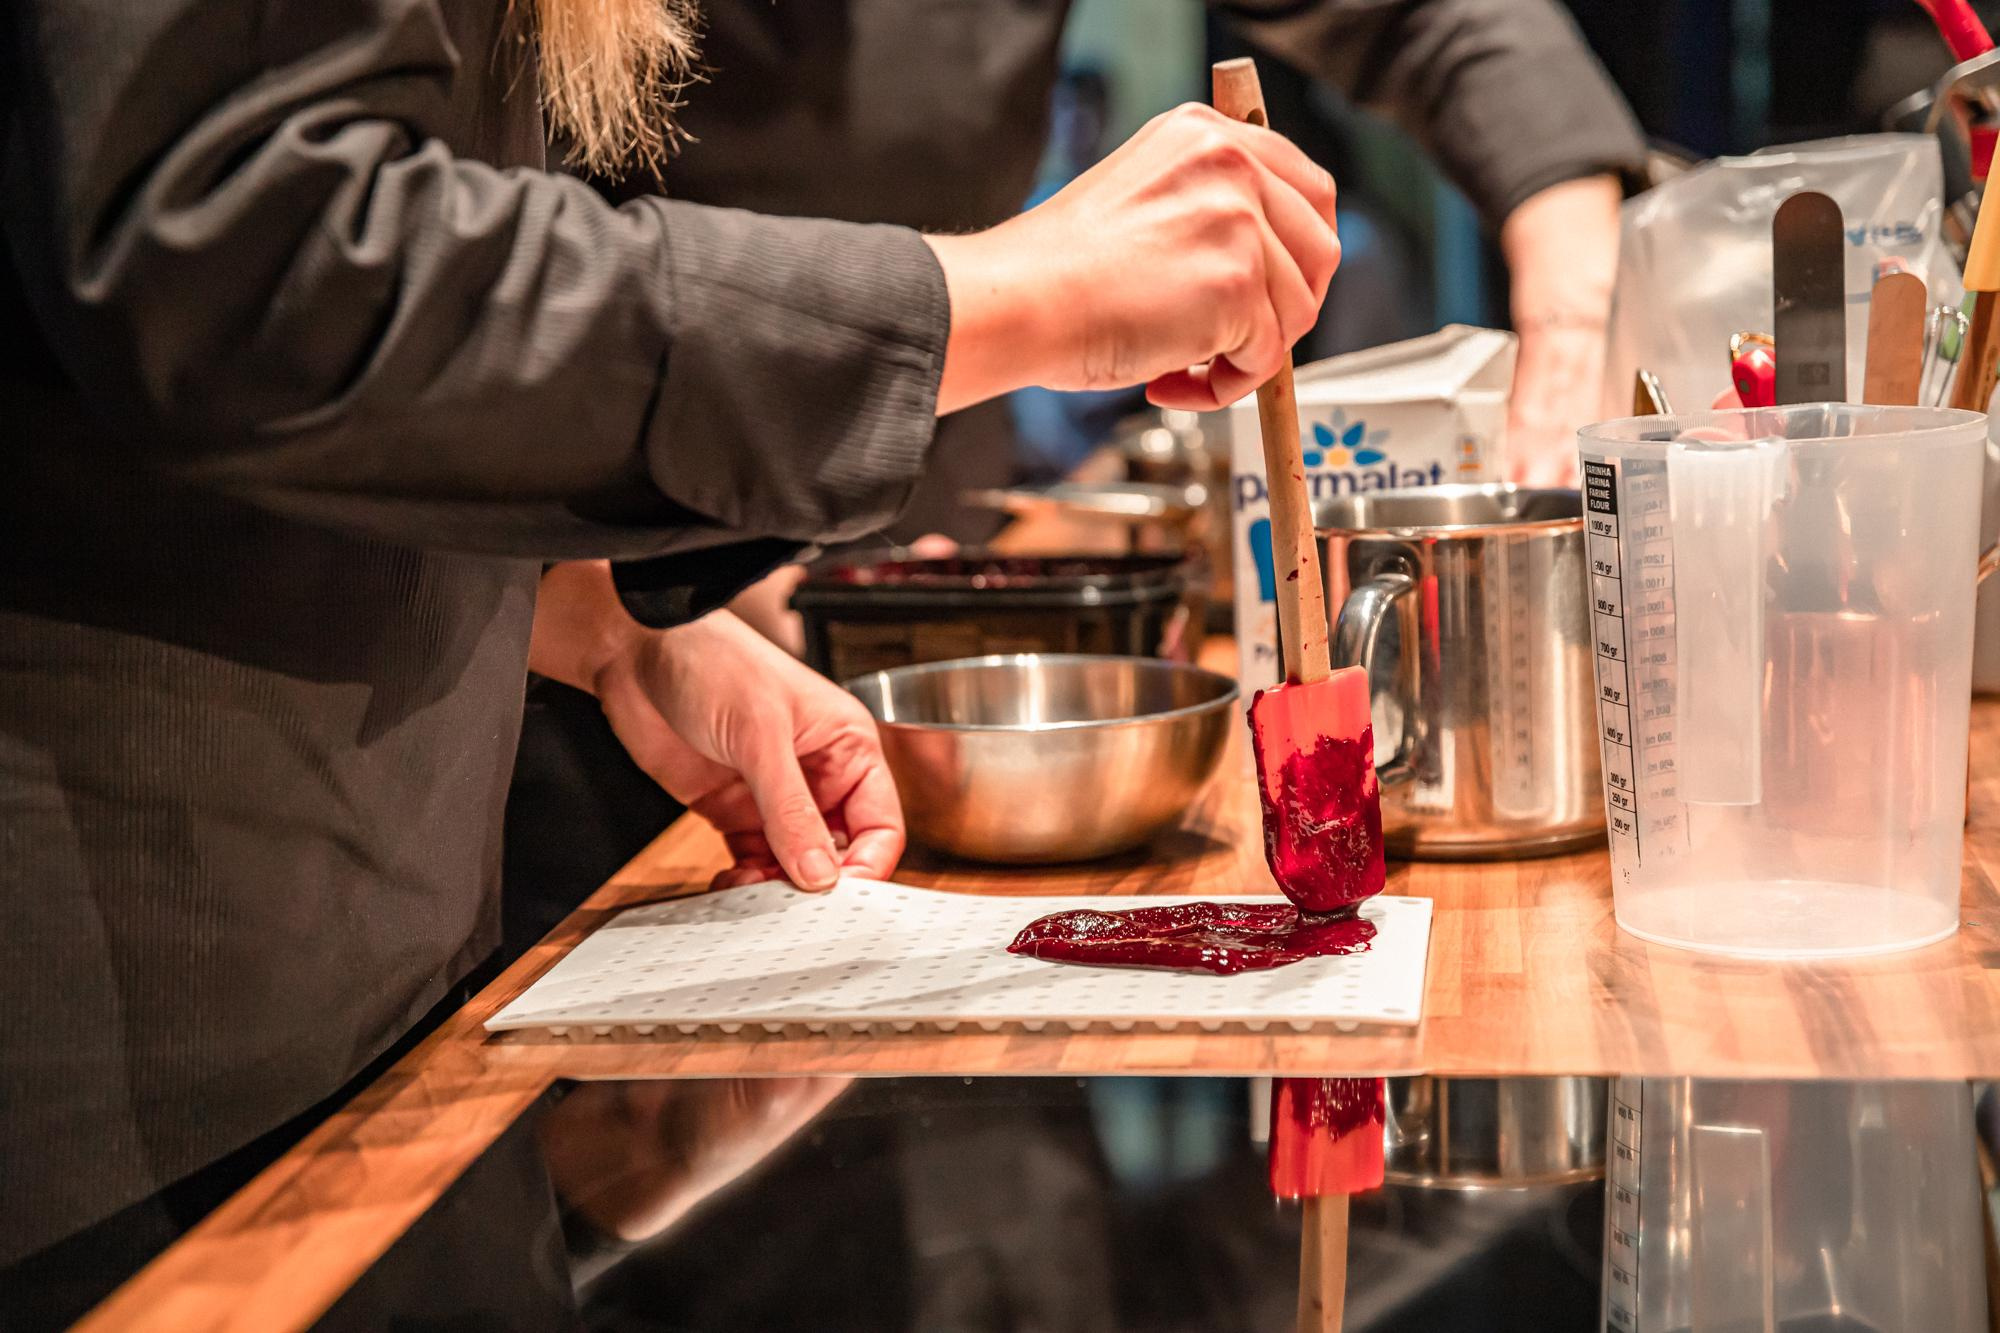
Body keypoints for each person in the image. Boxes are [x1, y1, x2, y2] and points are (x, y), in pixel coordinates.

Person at [0, 0, 1342, 1320]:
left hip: (372, 1048)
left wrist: (592, 615)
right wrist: (999, 297)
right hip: (135, 1088)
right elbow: (253, 253)